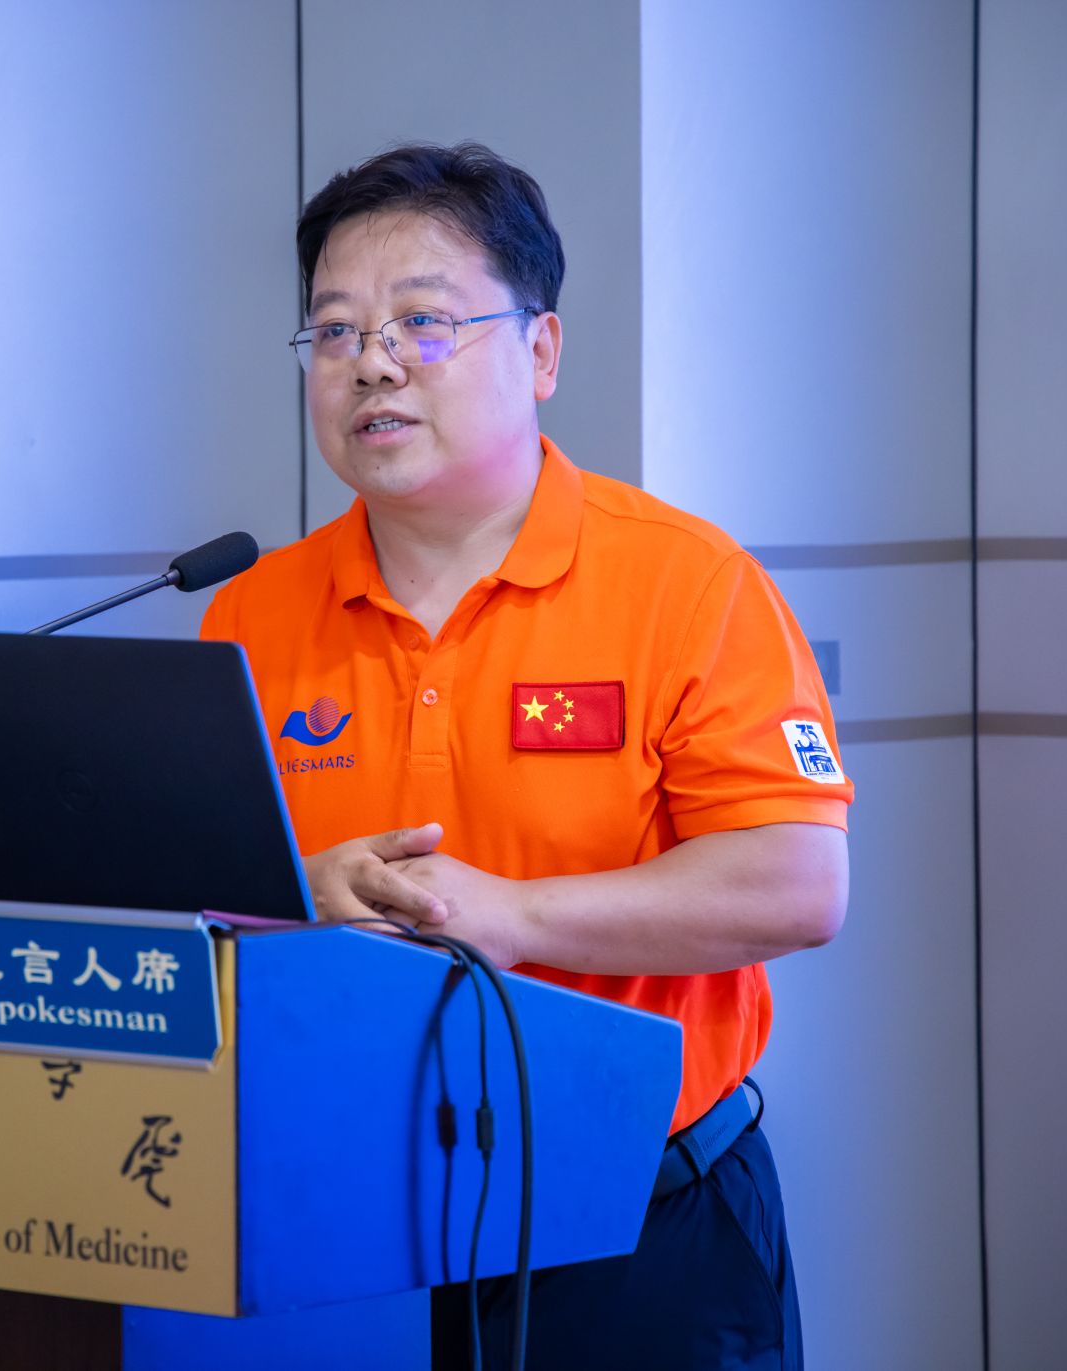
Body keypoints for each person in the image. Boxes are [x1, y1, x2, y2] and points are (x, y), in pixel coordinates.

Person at [199, 143, 852, 1370]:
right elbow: (192, 897)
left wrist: (510, 916)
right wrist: (296, 892)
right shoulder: (250, 611)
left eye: (422, 322)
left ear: (541, 352)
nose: (372, 362)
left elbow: (796, 885)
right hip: (334, 1226)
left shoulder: (685, 583)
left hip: (636, 1232)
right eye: (333, 332)